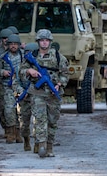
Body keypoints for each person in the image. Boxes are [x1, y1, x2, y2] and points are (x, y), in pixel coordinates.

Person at [18, 29, 69, 157]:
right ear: (38, 41)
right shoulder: (32, 56)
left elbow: (65, 74)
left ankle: (50, 146)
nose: (44, 43)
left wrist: (59, 84)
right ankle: (41, 145)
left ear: (50, 42)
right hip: (37, 92)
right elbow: (21, 71)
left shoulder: (58, 57)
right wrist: (30, 71)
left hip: (52, 94)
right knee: (40, 119)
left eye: (47, 40)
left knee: (52, 121)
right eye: (42, 40)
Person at [0, 34, 24, 144]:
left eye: (15, 44)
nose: (13, 46)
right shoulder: (3, 57)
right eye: (11, 44)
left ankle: (19, 133)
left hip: (21, 87)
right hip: (8, 87)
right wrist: (2, 72)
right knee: (9, 110)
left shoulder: (24, 56)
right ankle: (11, 133)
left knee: (21, 111)